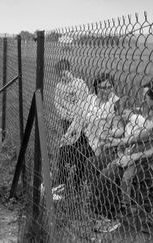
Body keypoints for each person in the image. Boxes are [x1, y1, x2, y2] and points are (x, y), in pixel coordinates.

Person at [91, 81, 153, 232]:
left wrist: (133, 156)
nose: (143, 99)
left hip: (144, 156)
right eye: (143, 95)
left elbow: (142, 138)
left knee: (110, 173)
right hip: (136, 151)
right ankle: (102, 209)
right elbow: (136, 137)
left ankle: (113, 213)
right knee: (100, 165)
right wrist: (118, 143)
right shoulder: (146, 112)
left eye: (146, 96)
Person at [56, 72, 120, 187]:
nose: (106, 91)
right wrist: (68, 134)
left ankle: (77, 188)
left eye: (109, 87)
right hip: (84, 134)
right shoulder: (90, 98)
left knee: (80, 153)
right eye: (102, 87)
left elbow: (116, 127)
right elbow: (78, 118)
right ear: (96, 87)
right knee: (64, 149)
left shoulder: (115, 103)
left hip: (99, 141)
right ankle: (61, 184)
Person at [53, 59, 89, 132]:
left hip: (80, 118)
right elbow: (57, 103)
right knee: (68, 138)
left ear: (70, 70)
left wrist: (80, 113)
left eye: (64, 74)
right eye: (60, 76)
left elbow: (87, 99)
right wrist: (64, 113)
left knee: (82, 139)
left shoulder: (80, 83)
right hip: (66, 120)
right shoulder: (59, 86)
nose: (63, 78)